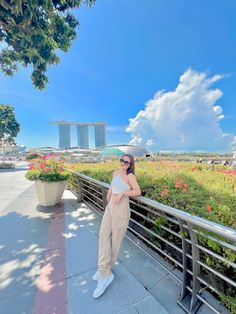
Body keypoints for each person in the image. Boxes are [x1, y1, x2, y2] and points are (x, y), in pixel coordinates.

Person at [92, 154, 141, 299]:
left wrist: (123, 194)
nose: (123, 163)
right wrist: (108, 201)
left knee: (115, 241)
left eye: (127, 162)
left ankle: (105, 272)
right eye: (122, 160)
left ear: (130, 164)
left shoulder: (130, 176)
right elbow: (112, 188)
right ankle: (104, 270)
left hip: (121, 209)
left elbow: (137, 191)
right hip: (111, 207)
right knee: (103, 236)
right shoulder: (115, 173)